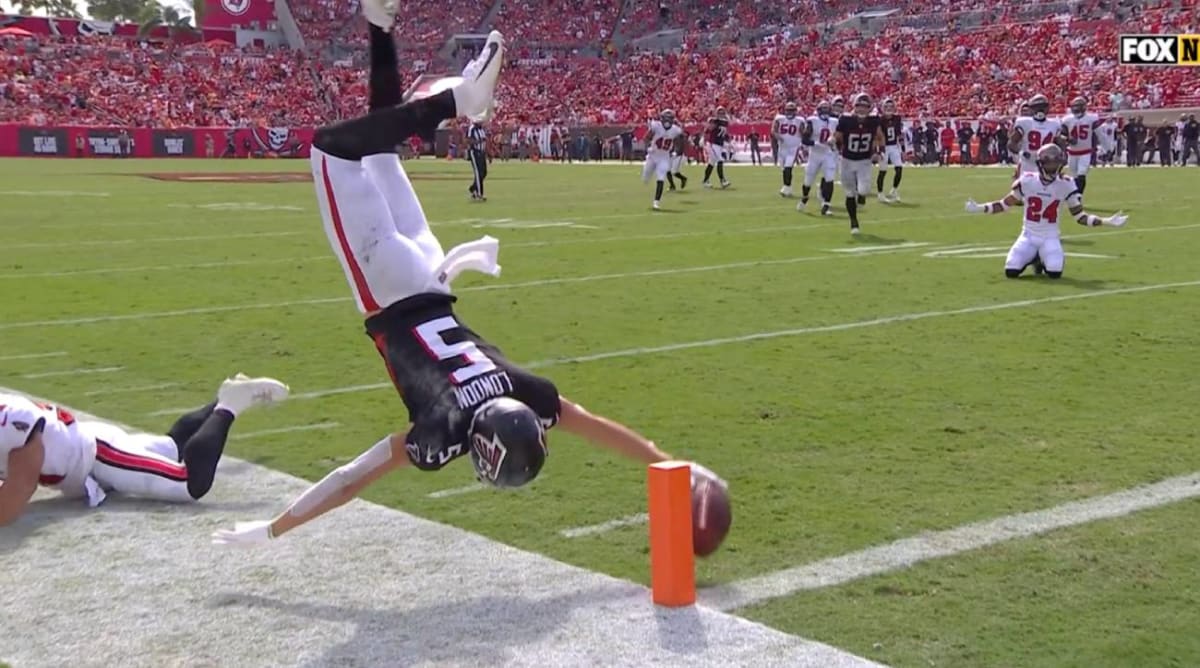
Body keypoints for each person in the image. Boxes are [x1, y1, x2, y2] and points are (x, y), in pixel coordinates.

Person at [211, 15, 725, 547]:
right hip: (391, 284)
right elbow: (347, 480)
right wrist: (272, 530)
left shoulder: (529, 394)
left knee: (381, 146)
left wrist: (672, 465)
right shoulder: (442, 431)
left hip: (432, 272)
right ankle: (458, 102)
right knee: (330, 149)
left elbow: (594, 424)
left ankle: (379, 22)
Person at [0, 375, 288, 525]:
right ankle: (222, 399)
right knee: (172, 447)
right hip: (88, 449)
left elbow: (15, 497)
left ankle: (230, 405)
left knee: (187, 483)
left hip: (97, 456)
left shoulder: (12, 422)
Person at [964, 144, 1128, 280]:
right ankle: (1034, 258)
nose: (1053, 167)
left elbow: (1079, 216)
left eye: (1056, 163)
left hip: (1050, 236)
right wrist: (980, 207)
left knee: (1054, 272)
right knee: (1011, 270)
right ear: (1041, 164)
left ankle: (1041, 259)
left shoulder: (1066, 184)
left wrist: (1106, 221)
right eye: (1049, 163)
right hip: (1028, 235)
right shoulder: (1028, 180)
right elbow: (1004, 204)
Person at [835, 93, 884, 235]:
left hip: (864, 161)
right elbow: (837, 135)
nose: (862, 109)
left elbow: (880, 137)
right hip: (847, 160)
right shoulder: (845, 119)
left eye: (865, 107)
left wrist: (878, 151)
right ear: (854, 106)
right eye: (859, 106)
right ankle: (854, 223)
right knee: (849, 193)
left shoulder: (874, 121)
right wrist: (832, 141)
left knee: (864, 191)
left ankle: (860, 195)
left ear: (870, 108)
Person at [642, 109, 683, 210]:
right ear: (662, 118)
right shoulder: (656, 126)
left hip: (664, 157)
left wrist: (676, 152)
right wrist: (648, 147)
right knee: (645, 178)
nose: (668, 121)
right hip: (652, 155)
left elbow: (679, 142)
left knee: (661, 178)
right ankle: (647, 178)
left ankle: (656, 202)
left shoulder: (675, 130)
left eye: (670, 118)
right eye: (666, 118)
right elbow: (646, 138)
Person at [772, 101, 804, 197]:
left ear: (795, 111)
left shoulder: (800, 120)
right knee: (784, 169)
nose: (790, 112)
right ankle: (788, 187)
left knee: (788, 167)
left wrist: (804, 144)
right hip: (782, 148)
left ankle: (786, 188)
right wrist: (778, 136)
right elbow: (773, 130)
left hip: (793, 148)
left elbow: (803, 132)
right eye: (788, 110)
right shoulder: (779, 119)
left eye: (792, 110)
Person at [467, 120, 489, 200]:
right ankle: (479, 194)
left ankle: (473, 188)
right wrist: (478, 141)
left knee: (484, 172)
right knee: (478, 173)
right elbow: (468, 140)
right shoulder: (472, 128)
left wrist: (488, 153)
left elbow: (485, 142)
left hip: (482, 153)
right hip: (475, 152)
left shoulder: (482, 129)